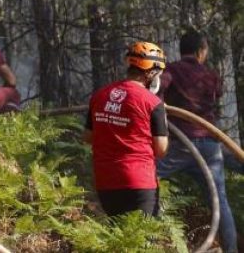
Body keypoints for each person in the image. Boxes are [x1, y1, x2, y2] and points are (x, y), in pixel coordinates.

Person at [156, 31, 238, 252]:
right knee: (220, 202)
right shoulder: (210, 75)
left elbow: (156, 89)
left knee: (144, 179)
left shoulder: (171, 70)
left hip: (181, 146)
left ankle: (141, 233)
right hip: (209, 146)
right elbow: (217, 92)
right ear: (201, 51)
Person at [84, 41, 169, 217]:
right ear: (151, 71)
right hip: (139, 182)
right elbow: (161, 149)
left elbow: (88, 137)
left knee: (119, 238)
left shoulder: (100, 95)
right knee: (143, 240)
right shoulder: (152, 103)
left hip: (105, 182)